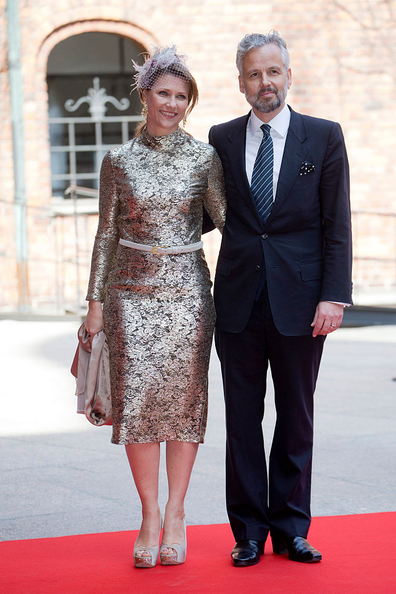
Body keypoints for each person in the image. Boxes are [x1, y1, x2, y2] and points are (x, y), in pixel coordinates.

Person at [209, 31, 352, 566]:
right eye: (253, 74)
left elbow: (337, 223)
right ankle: (247, 531)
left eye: (273, 72)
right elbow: (207, 212)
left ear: (288, 75)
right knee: (242, 420)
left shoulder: (323, 136)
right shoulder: (221, 138)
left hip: (302, 301)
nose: (263, 83)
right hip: (238, 302)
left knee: (296, 416)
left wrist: (334, 295)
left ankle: (291, 528)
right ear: (241, 81)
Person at [84, 45, 226, 569]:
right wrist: (95, 303)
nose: (171, 104)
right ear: (144, 94)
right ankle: (148, 515)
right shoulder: (117, 161)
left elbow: (231, 226)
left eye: (181, 97)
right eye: (163, 93)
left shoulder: (204, 158)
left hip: (189, 295)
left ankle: (177, 514)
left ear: (190, 103)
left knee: (184, 407)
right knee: (139, 406)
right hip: (128, 296)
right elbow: (105, 234)